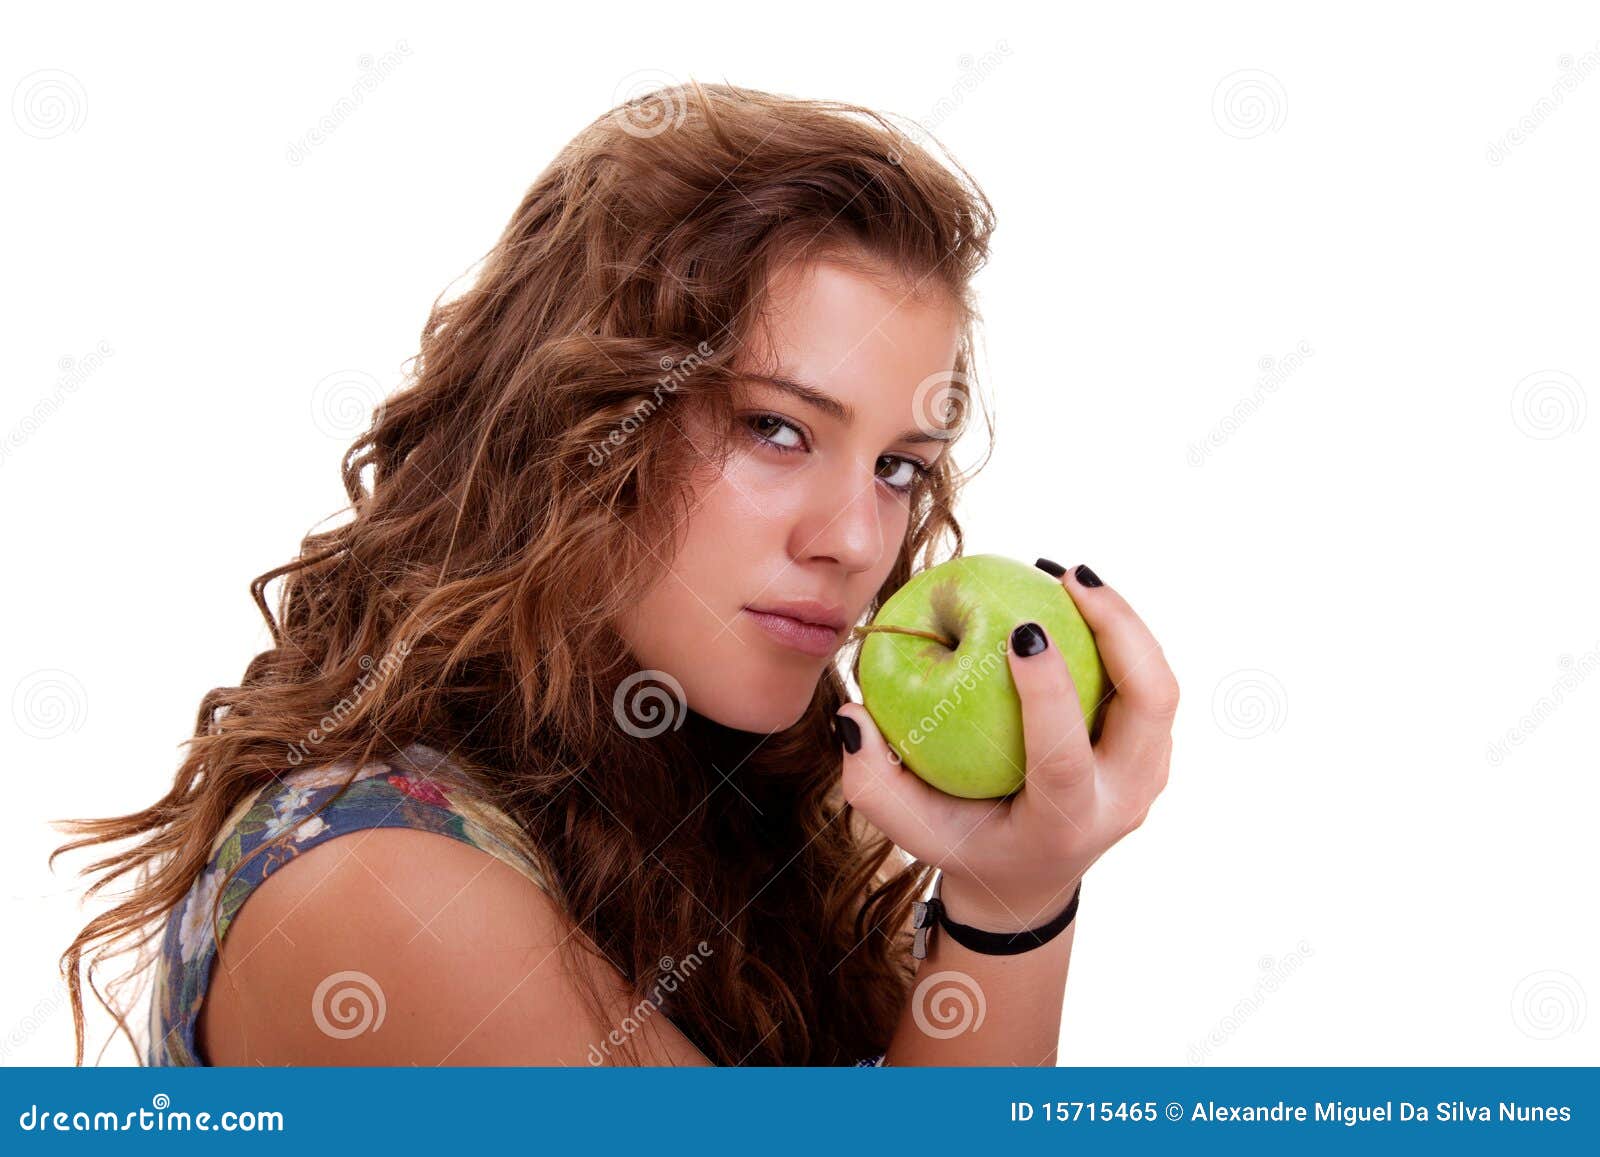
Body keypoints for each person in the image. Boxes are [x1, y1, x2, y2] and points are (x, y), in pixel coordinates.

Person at [52, 79, 1177, 1067]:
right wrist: (1004, 917)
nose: (855, 539)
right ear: (576, 427)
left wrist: (1009, 889)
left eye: (895, 465)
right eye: (777, 429)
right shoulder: (377, 889)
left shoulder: (715, 796)